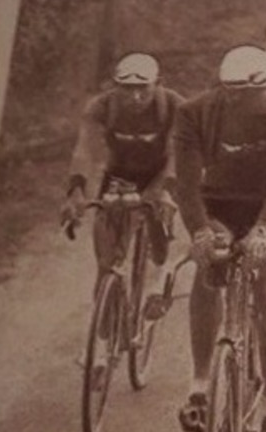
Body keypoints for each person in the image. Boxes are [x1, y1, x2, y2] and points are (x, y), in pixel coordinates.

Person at [172, 45, 266, 432]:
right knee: (207, 270)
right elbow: (186, 183)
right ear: (234, 95)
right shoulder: (194, 113)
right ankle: (199, 385)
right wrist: (199, 232)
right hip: (221, 205)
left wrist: (265, 228)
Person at [61, 52, 184, 278]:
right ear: (115, 86)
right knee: (105, 262)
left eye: (143, 88)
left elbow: (180, 153)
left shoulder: (175, 105)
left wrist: (166, 190)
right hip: (119, 173)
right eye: (126, 88)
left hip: (161, 173)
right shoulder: (101, 105)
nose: (135, 96)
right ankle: (107, 301)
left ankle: (156, 271)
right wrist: (76, 190)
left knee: (159, 249)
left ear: (158, 84)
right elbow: (84, 149)